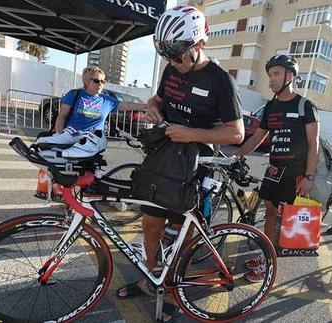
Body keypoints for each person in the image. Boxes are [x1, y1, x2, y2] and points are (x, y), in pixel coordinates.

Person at [115, 5, 244, 318]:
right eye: (168, 56)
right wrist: (152, 105)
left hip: (196, 163)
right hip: (164, 157)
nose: (173, 62)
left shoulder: (220, 81)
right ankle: (149, 277)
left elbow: (237, 133)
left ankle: (173, 293)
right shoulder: (171, 69)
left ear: (200, 44)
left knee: (181, 230)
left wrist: (191, 132)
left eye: (178, 55)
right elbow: (160, 98)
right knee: (150, 221)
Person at [235, 54, 319, 281]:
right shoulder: (271, 106)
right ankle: (266, 254)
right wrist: (235, 156)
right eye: (270, 74)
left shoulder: (305, 106)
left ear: (290, 76)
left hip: (295, 174)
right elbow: (258, 138)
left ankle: (269, 265)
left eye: (276, 74)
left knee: (284, 219)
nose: (271, 79)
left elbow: (314, 145)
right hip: (273, 170)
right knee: (270, 212)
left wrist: (309, 176)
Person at [36, 66, 138, 157]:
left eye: (103, 81)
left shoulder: (107, 100)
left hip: (91, 142)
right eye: (96, 81)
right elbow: (62, 116)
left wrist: (147, 106)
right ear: (87, 81)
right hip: (71, 138)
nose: (100, 84)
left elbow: (127, 105)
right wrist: (60, 135)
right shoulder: (74, 94)